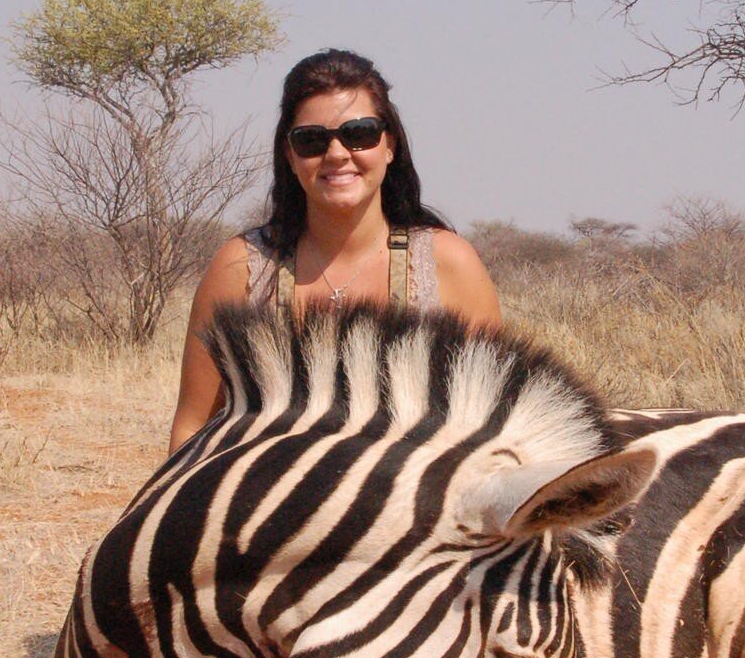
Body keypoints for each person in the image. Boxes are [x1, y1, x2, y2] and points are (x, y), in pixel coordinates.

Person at [169, 47, 501, 452]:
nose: (338, 154)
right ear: (290, 156)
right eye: (311, 141)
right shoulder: (240, 267)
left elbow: (490, 427)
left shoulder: (450, 264)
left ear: (389, 145)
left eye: (359, 134)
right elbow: (192, 426)